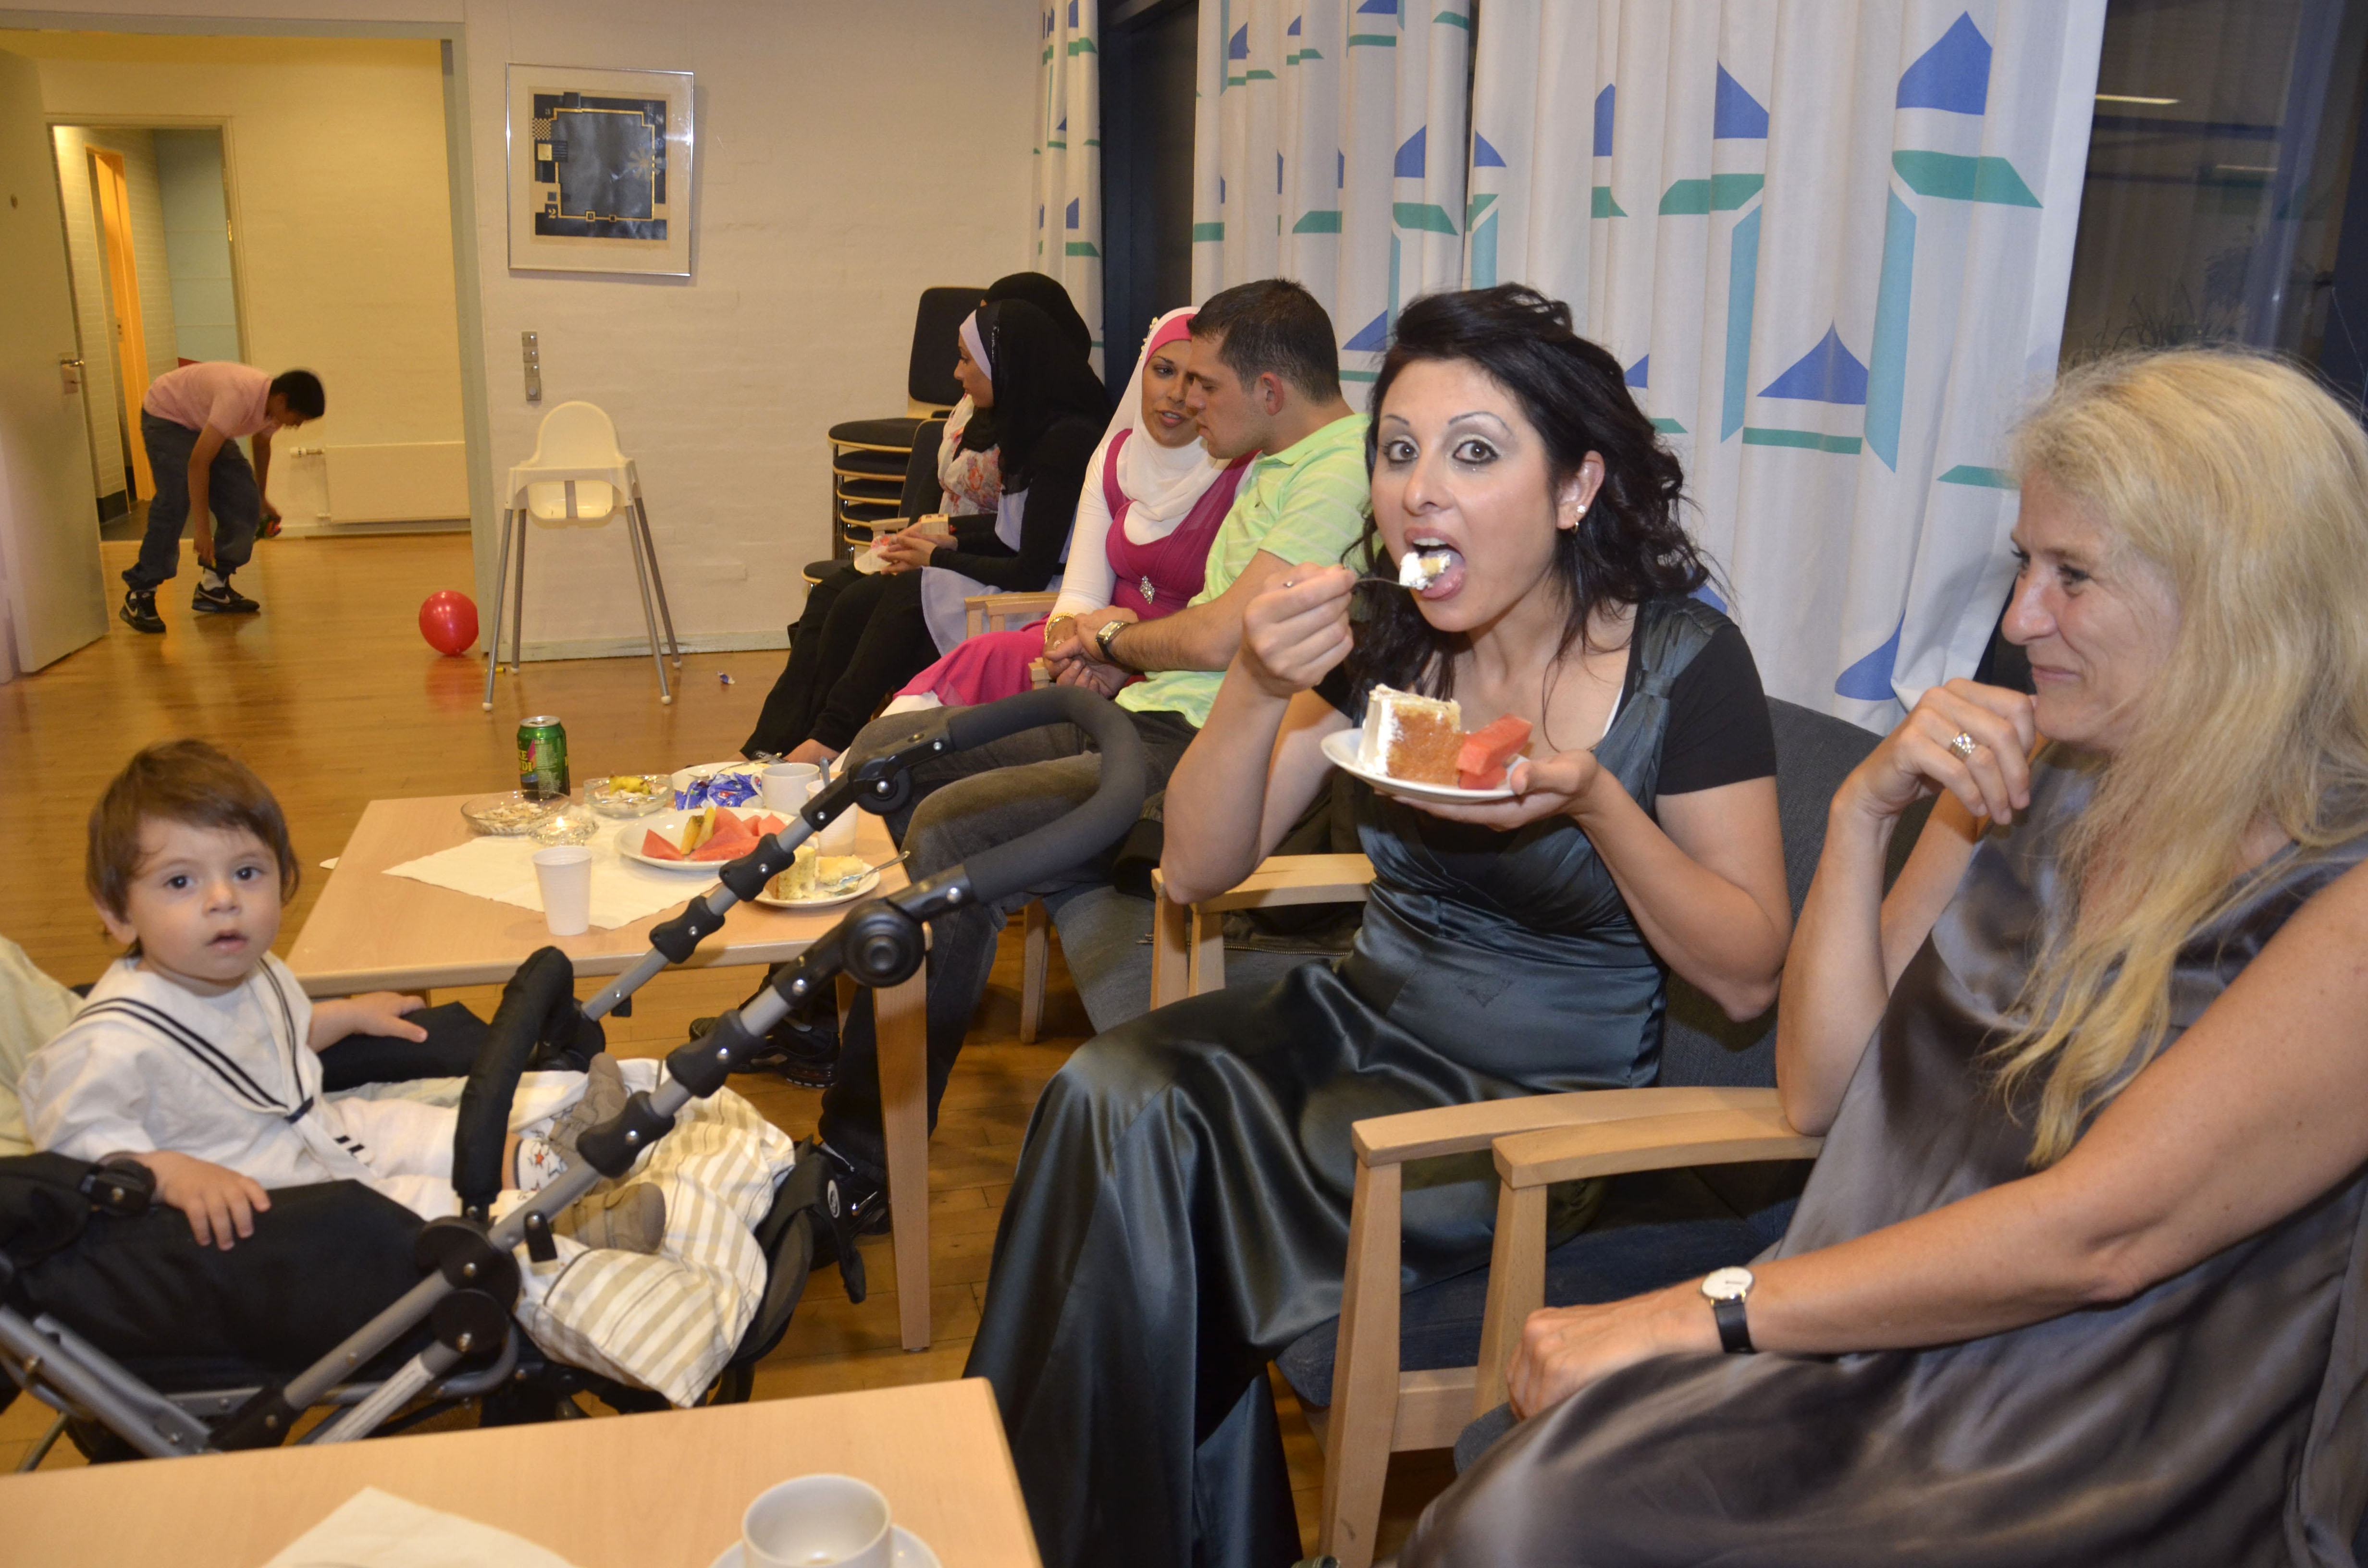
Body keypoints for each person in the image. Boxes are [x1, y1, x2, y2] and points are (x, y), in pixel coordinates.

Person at [1399, 348, 2368, 1565]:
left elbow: (2101, 1236)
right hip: (1880, 1334)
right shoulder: (2025, 776)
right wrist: (1861, 812)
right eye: (2023, 565)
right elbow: (1820, 1090)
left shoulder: (2344, 900)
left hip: (2087, 1427)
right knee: (1527, 1506)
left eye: (2072, 576)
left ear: (2243, 599)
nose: (2019, 621)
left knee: (1533, 1519)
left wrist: (1702, 1310)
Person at [961, 283, 1791, 1568]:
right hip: (1351, 1024)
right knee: (1101, 1095)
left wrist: (1599, 805)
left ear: (1576, 488)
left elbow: (1743, 974)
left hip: (1528, 1113)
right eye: (1399, 451)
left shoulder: (1681, 664)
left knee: (1169, 1189)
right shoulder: (1392, 636)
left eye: (1475, 453)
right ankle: (1048, 1524)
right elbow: (1197, 867)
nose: (1420, 492)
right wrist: (1256, 681)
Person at [790, 277, 1372, 1216]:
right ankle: (836, 1015)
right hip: (1146, 711)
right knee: (886, 759)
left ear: (1269, 390)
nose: (1188, 403)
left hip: (1201, 754)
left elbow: (1223, 636)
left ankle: (860, 1166)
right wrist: (1111, 655)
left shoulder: (1337, 472)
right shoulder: (1273, 457)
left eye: (1207, 385)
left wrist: (1109, 640)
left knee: (954, 830)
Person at [18, 740, 665, 1253]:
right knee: (412, 1208)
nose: (223, 899)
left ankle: (557, 1163)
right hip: (271, 1196)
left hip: (314, 1127)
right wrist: (169, 1173)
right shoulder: (112, 1041)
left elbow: (268, 1036)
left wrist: (345, 1015)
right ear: (117, 913)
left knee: (429, 1131)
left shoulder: (246, 969)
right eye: (180, 882)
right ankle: (572, 1229)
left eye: (246, 872)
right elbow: (72, 1145)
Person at [741, 297, 1107, 762]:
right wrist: (948, 538)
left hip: (1045, 603)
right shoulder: (1033, 424)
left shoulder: (1066, 441)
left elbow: (1032, 569)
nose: (957, 373)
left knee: (908, 591)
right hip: (1022, 584)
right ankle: (807, 741)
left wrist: (937, 557)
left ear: (1003, 365)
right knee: (855, 603)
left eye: (966, 360)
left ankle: (830, 742)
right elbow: (1014, 533)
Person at [887, 306, 1253, 712]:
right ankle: (867, 745)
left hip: (1180, 675)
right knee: (981, 659)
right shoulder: (1113, 459)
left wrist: (1119, 648)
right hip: (1094, 648)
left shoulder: (1244, 472)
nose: (1178, 394)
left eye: (1198, 380)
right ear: (1142, 374)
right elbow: (1081, 593)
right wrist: (1063, 641)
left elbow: (1224, 630)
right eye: (1164, 371)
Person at [118, 363, 323, 634]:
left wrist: (261, 498)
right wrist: (202, 530)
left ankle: (213, 588)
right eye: (299, 418)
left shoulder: (273, 407)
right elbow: (198, 464)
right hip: (168, 415)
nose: (297, 426)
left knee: (245, 499)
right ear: (282, 400)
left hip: (201, 420)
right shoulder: (238, 398)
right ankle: (141, 593)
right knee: (175, 499)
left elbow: (262, 444)